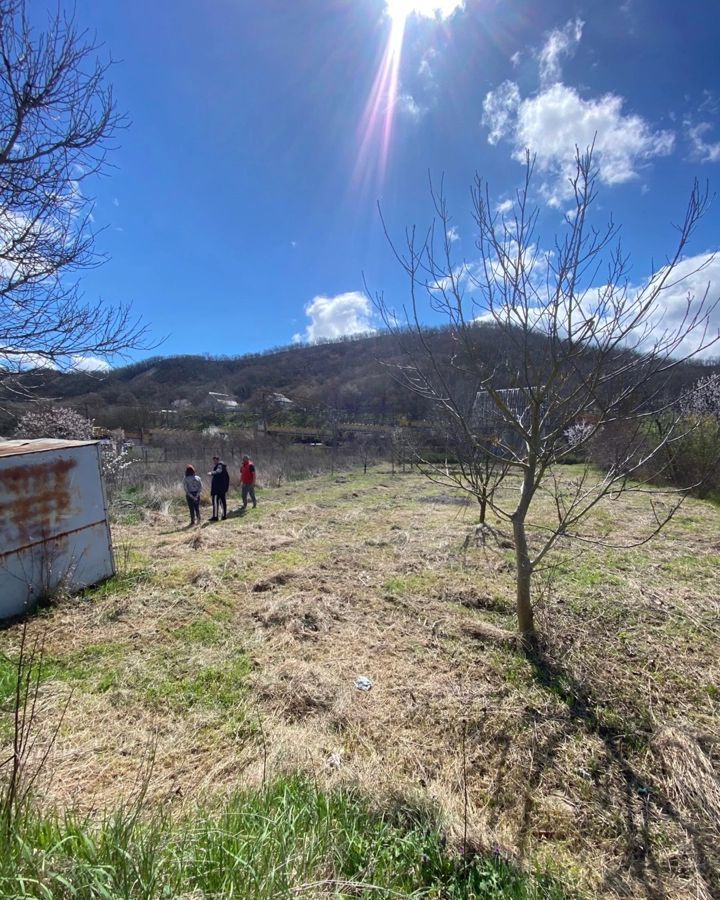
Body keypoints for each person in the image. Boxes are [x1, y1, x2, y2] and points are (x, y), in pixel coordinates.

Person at [209, 455, 230, 521]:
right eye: (213, 460)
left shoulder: (220, 466)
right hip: (222, 489)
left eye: (215, 460)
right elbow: (227, 478)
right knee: (223, 502)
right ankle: (224, 516)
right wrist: (226, 487)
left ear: (218, 460)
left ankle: (215, 517)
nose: (214, 461)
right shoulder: (224, 467)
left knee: (215, 503)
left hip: (217, 489)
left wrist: (212, 473)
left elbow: (218, 471)